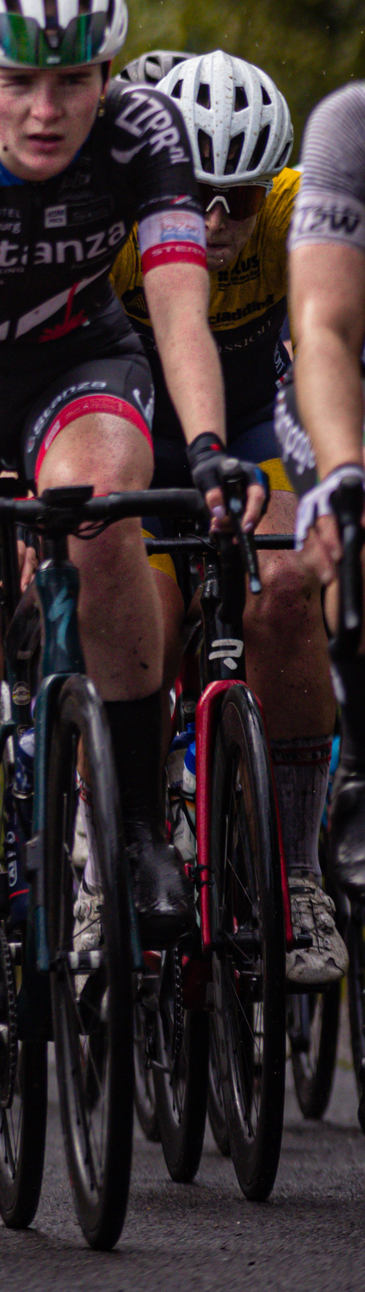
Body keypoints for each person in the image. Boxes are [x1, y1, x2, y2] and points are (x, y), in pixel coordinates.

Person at [0, 0, 241, 1114]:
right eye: (21, 82)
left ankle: (138, 829)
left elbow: (181, 315)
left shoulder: (144, 134)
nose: (47, 111)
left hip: (69, 367)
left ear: (107, 74)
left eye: (74, 80)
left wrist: (203, 455)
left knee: (107, 522)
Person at [114, 51, 342, 982]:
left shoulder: (297, 209)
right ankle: (107, 856)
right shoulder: (122, 225)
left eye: (238, 202)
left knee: (285, 585)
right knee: (140, 620)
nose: (215, 224)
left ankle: (295, 873)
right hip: (143, 424)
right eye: (197, 197)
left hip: (246, 425)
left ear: (271, 189)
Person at [285, 80, 365, 906]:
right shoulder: (351, 126)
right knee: (351, 532)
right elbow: (325, 331)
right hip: (349, 396)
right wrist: (346, 470)